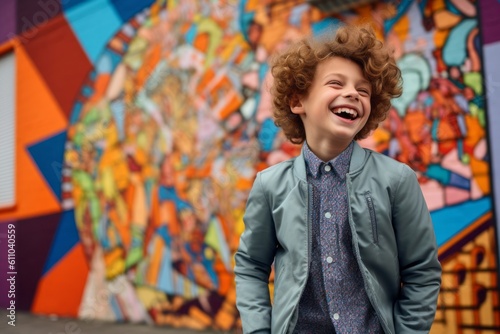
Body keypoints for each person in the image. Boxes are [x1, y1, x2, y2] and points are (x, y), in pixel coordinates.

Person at [234, 24, 442, 334]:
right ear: (297, 101)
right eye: (336, 83)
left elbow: (421, 272)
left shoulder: (397, 180)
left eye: (363, 90)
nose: (352, 94)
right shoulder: (270, 185)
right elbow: (251, 268)